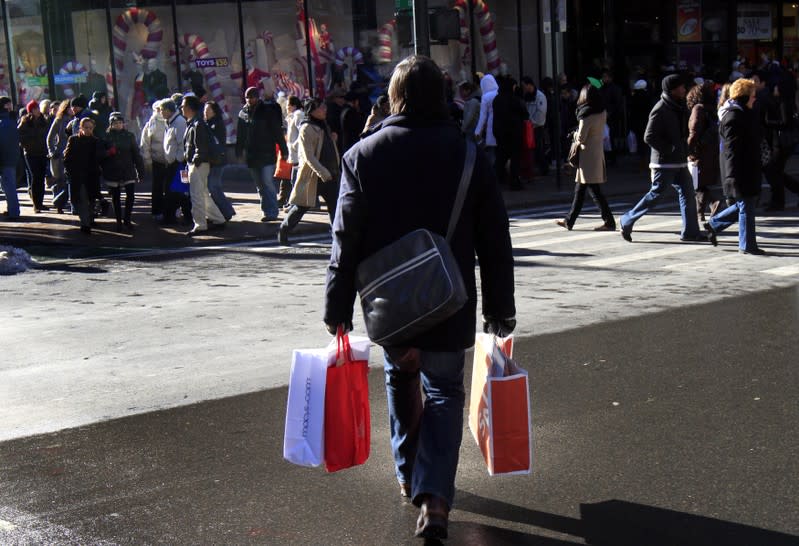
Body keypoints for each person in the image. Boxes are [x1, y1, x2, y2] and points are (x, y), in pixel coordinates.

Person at [323, 55, 516, 540]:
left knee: (401, 374)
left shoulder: (363, 155)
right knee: (445, 391)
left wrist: (337, 305)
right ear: (444, 95)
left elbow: (345, 239)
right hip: (450, 299)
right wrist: (500, 307)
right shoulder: (468, 153)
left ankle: (409, 474)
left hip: (391, 303)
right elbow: (495, 238)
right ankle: (434, 498)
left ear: (396, 96)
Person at [619, 74, 707, 243]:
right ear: (672, 89)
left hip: (679, 160)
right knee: (656, 195)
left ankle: (690, 232)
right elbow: (648, 136)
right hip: (664, 162)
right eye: (681, 87)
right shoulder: (661, 108)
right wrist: (670, 148)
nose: (684, 89)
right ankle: (627, 220)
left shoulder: (678, 106)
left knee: (688, 194)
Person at [705, 79, 766, 255]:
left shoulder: (744, 113)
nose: (755, 98)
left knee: (745, 204)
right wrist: (731, 175)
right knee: (746, 205)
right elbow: (730, 150)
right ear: (745, 96)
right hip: (739, 170)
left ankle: (714, 224)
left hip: (748, 167)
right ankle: (747, 245)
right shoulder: (734, 116)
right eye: (753, 95)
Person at [277, 98, 340, 245]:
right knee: (301, 206)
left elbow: (326, 148)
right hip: (314, 176)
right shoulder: (307, 128)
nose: (324, 109)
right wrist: (323, 173)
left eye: (324, 106)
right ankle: (284, 230)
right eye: (320, 107)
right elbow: (308, 156)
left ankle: (337, 237)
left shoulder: (323, 125)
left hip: (331, 173)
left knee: (335, 207)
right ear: (311, 110)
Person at [556, 84, 616, 231]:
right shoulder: (602, 112)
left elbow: (581, 138)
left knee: (593, 192)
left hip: (587, 156)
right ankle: (569, 221)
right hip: (596, 154)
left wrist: (574, 134)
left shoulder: (586, 115)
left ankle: (609, 222)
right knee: (581, 190)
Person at [235, 86, 288, 222]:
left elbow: (277, 131)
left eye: (252, 97)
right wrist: (239, 150)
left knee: (267, 181)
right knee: (259, 184)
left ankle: (272, 212)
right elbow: (240, 134)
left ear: (257, 97)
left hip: (267, 153)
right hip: (252, 154)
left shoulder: (267, 111)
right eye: (247, 97)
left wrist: (284, 149)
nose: (249, 100)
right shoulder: (243, 113)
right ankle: (267, 210)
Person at [182, 95, 226, 236]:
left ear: (189, 108)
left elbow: (200, 147)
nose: (181, 108)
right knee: (203, 194)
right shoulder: (195, 122)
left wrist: (195, 161)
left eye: (183, 106)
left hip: (198, 164)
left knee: (196, 195)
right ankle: (219, 219)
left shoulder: (197, 124)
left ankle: (200, 225)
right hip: (198, 163)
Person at [101, 112, 144, 231]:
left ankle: (127, 219)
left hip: (128, 169)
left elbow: (136, 154)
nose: (118, 125)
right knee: (115, 197)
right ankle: (119, 220)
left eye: (120, 123)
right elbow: (100, 155)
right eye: (115, 123)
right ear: (111, 124)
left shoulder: (129, 136)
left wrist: (140, 172)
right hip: (112, 171)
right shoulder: (106, 137)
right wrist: (108, 153)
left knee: (130, 196)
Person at [686, 81, 722, 223]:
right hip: (710, 150)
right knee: (700, 182)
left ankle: (714, 203)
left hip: (699, 151)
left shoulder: (698, 109)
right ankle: (700, 212)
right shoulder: (710, 109)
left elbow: (694, 130)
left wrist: (689, 147)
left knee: (697, 182)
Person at [63, 117, 103, 234]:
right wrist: (70, 171)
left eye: (90, 128)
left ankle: (89, 219)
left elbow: (99, 158)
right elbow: (67, 157)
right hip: (77, 175)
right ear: (81, 128)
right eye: (86, 127)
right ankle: (85, 223)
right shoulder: (74, 140)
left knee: (91, 199)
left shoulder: (96, 141)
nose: (88, 130)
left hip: (92, 175)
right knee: (81, 200)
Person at [491, 75, 528, 190]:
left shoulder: (497, 99)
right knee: (515, 158)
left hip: (500, 133)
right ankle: (514, 181)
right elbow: (525, 114)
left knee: (501, 157)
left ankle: (496, 179)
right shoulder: (514, 100)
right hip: (514, 133)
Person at [161, 99, 191, 225]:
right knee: (173, 191)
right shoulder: (170, 122)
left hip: (178, 164)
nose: (161, 112)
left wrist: (177, 160)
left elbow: (182, 144)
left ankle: (185, 217)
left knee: (179, 191)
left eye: (162, 110)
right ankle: (171, 217)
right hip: (172, 163)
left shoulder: (179, 122)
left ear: (168, 110)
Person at [204, 100, 235, 221]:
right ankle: (223, 211)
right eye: (205, 110)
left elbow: (217, 143)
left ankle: (227, 211)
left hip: (217, 161)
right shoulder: (207, 123)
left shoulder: (217, 124)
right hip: (211, 161)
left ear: (214, 111)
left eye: (208, 110)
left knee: (214, 187)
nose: (205, 113)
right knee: (213, 187)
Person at [17, 100, 50, 213]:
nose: (37, 110)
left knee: (41, 178)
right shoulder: (25, 121)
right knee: (35, 177)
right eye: (34, 108)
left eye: (37, 108)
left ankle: (40, 203)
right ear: (30, 111)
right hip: (31, 154)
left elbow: (47, 134)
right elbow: (20, 136)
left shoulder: (43, 121)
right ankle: (36, 204)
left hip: (42, 153)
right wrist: (29, 143)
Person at [140, 99, 168, 219]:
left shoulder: (171, 121)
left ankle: (170, 210)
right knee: (157, 187)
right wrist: (148, 160)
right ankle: (157, 211)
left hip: (171, 160)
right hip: (157, 160)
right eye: (157, 109)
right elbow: (145, 144)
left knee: (170, 187)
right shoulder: (150, 124)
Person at [47, 100, 73, 214]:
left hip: (73, 154)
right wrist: (52, 152)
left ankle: (67, 202)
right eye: (69, 108)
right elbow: (50, 138)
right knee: (60, 180)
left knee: (70, 180)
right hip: (60, 154)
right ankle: (59, 203)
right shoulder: (59, 120)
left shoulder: (76, 120)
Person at [521, 76, 548, 175]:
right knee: (532, 148)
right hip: (529, 126)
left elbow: (541, 113)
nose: (523, 88)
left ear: (529, 85)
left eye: (524, 85)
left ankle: (544, 168)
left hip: (537, 126)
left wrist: (532, 122)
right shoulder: (527, 96)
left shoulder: (540, 96)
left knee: (538, 148)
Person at [0, 96, 21, 220]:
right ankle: (12, 209)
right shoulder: (11, 120)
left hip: (5, 159)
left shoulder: (4, 122)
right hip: (11, 158)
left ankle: (13, 212)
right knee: (8, 186)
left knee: (8, 186)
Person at [283, 94, 305, 206]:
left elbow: (302, 131)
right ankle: (293, 201)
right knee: (294, 178)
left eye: (288, 105)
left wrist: (294, 145)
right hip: (295, 153)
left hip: (298, 153)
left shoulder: (298, 115)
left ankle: (294, 202)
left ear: (293, 105)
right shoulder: (292, 116)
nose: (286, 107)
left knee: (295, 179)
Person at [474, 73, 499, 165]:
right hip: (502, 125)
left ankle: (493, 174)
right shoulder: (499, 93)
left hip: (492, 125)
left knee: (492, 153)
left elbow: (483, 117)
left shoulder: (485, 97)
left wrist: (477, 131)